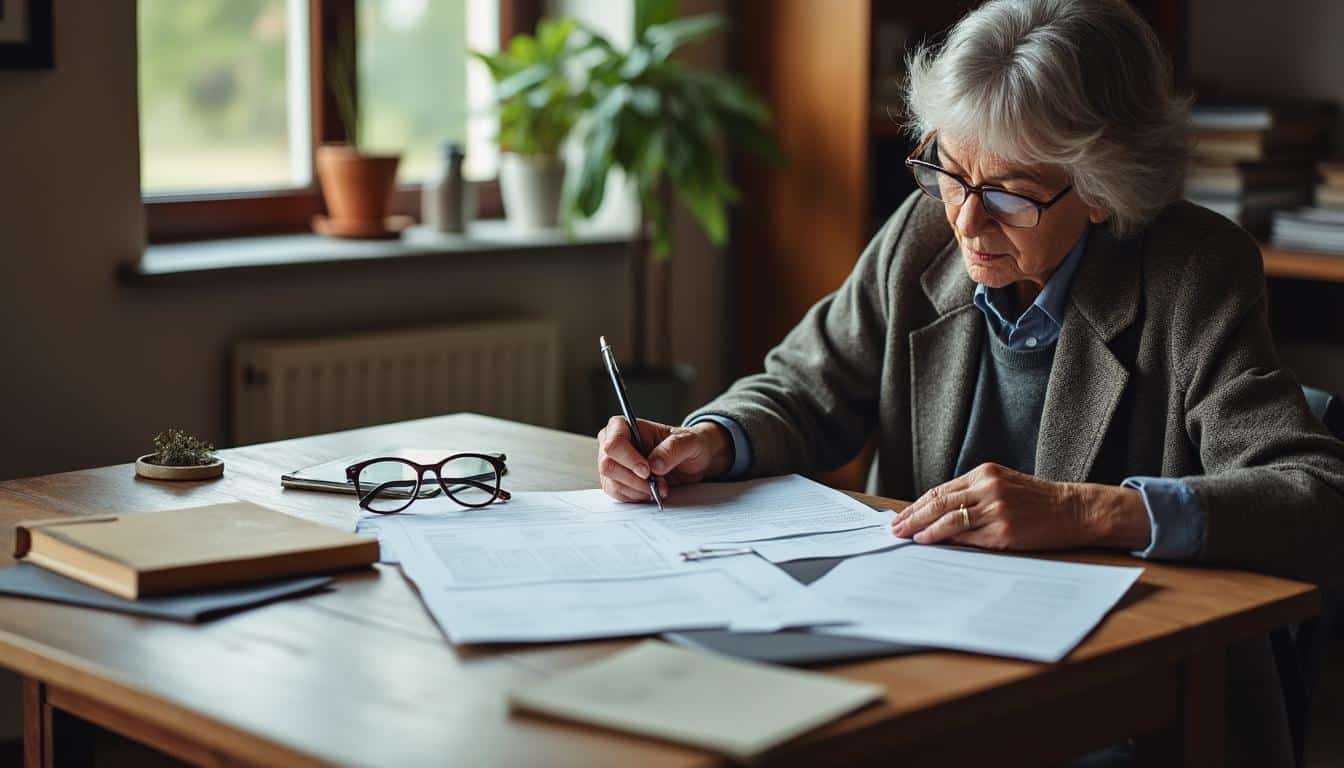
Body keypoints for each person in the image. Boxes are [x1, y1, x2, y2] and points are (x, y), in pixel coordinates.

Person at [595, 0, 1344, 764]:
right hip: (922, 659)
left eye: (1011, 194)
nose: (967, 223)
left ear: (1100, 188)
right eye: (949, 174)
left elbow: (1317, 494)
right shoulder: (923, 237)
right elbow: (802, 385)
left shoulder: (1193, 273)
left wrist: (1085, 512)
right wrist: (711, 440)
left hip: (1124, 701)